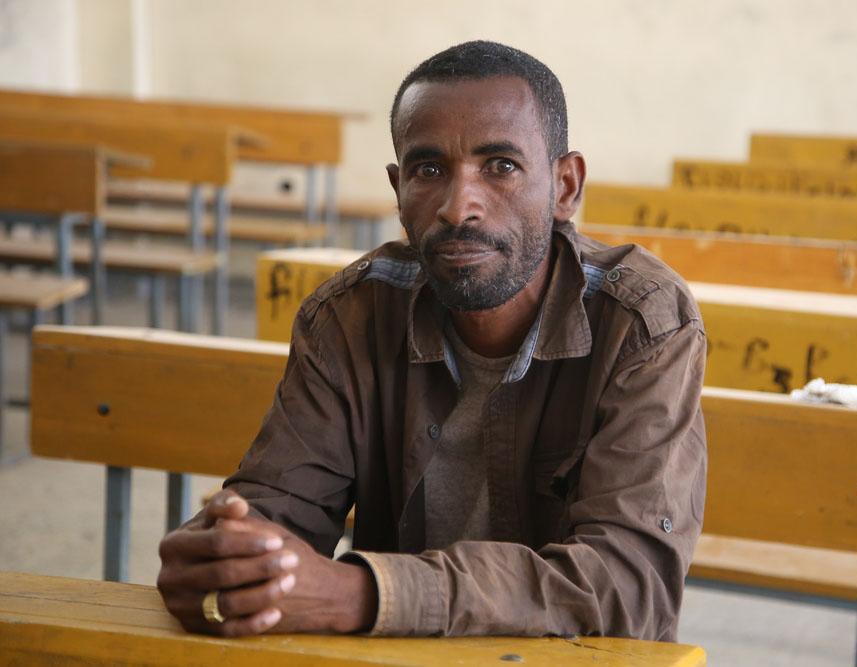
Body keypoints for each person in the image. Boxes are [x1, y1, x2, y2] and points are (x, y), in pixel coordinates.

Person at [157, 40, 707, 642]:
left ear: (565, 187)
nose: (457, 206)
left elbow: (629, 586)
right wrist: (229, 558)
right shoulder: (350, 315)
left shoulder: (642, 321)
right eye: (428, 169)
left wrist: (368, 595)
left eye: (500, 166)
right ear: (398, 190)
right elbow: (279, 507)